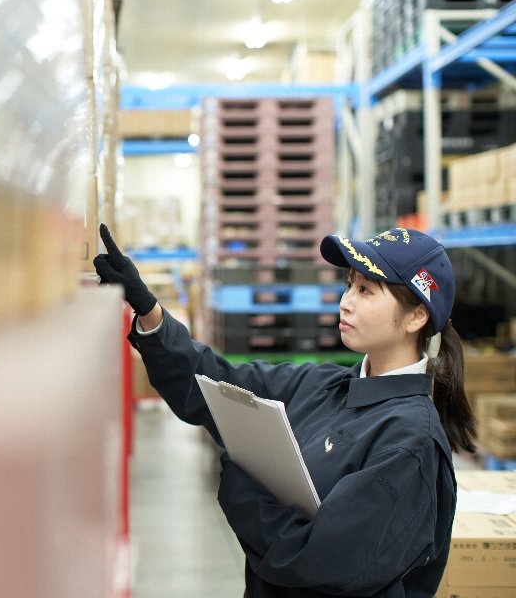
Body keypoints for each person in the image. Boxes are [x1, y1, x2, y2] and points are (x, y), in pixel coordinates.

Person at [94, 223, 476, 598]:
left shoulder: (409, 442)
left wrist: (242, 481)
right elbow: (214, 384)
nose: (345, 301)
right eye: (348, 285)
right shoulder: (325, 385)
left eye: (366, 290)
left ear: (416, 316)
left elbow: (319, 560)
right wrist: (149, 312)